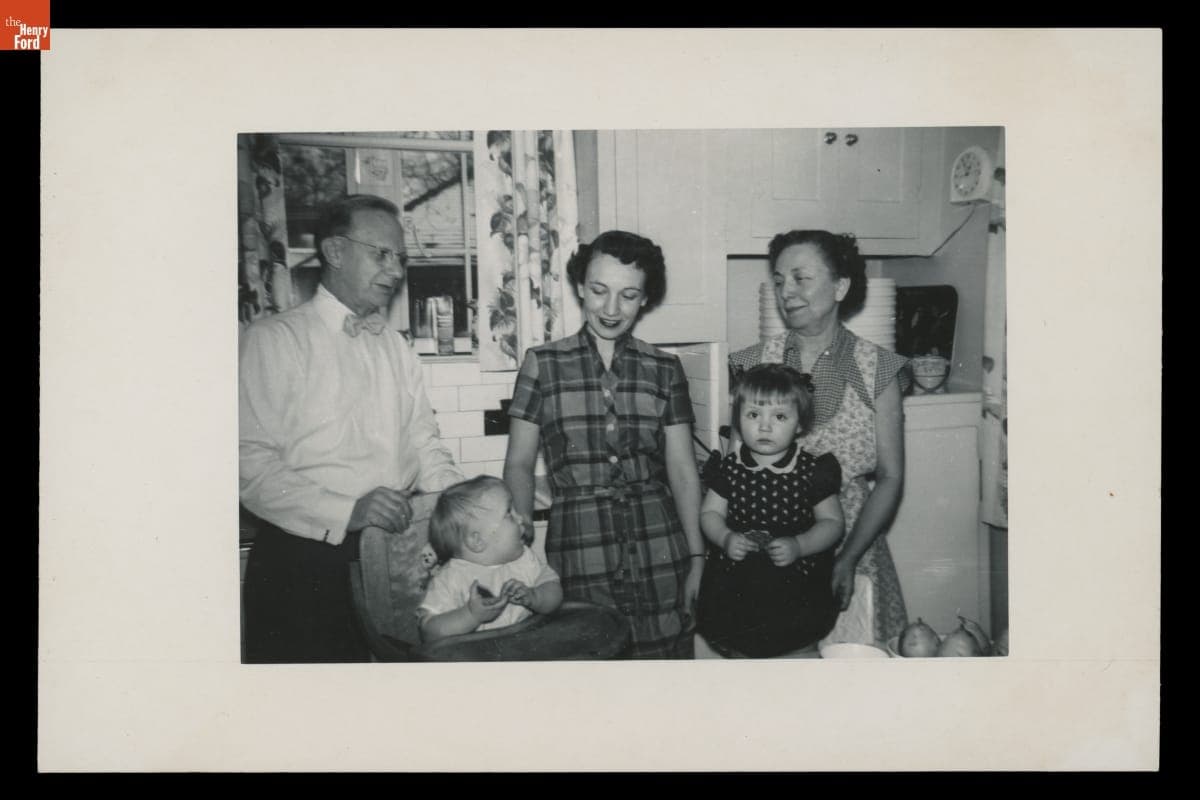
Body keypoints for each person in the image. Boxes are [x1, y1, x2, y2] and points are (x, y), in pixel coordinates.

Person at [239, 193, 464, 663]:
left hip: (396, 554)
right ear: (335, 252)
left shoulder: (396, 347)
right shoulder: (273, 340)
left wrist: (464, 504)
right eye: (381, 254)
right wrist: (348, 511)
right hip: (304, 562)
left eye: (400, 258)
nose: (396, 271)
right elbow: (248, 465)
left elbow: (424, 442)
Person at [503, 230, 706, 659]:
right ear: (580, 287)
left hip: (660, 550)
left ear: (645, 299)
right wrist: (523, 553)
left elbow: (683, 471)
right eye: (599, 291)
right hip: (579, 550)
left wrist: (698, 558)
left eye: (628, 295)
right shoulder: (542, 364)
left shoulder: (665, 369)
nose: (611, 309)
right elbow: (519, 464)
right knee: (592, 683)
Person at [727, 230, 910, 648]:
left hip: (853, 551)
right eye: (778, 281)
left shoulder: (878, 368)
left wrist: (847, 558)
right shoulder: (751, 364)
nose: (785, 292)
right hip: (771, 554)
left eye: (799, 278)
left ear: (840, 286)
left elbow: (891, 477)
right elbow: (737, 470)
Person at [695, 363, 844, 657]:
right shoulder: (730, 468)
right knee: (740, 652)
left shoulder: (811, 470)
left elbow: (832, 523)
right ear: (738, 420)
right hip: (737, 584)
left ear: (800, 423)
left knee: (797, 653)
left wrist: (801, 545)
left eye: (779, 416)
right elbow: (709, 514)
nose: (764, 426)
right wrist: (724, 537)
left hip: (794, 586)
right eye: (753, 415)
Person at [417, 476, 563, 642]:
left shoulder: (524, 559)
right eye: (509, 513)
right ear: (477, 541)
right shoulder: (451, 578)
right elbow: (428, 632)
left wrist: (535, 596)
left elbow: (555, 592)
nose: (521, 518)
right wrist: (471, 615)